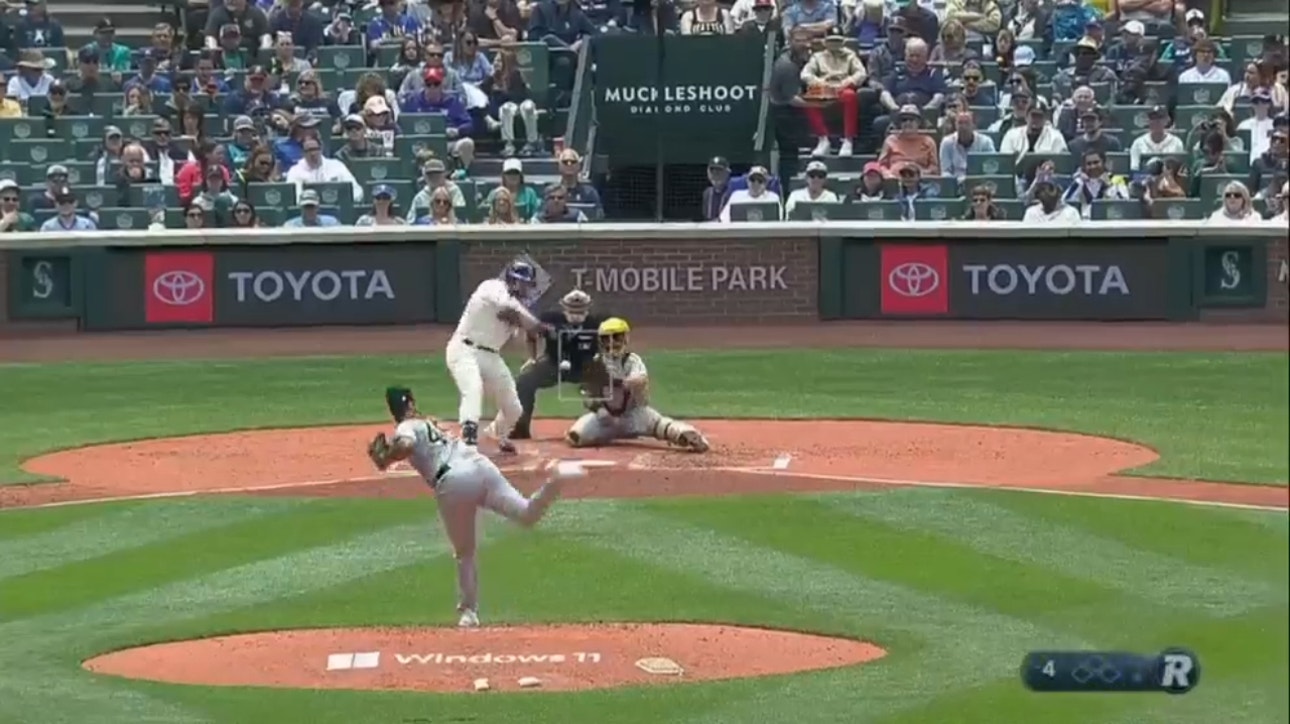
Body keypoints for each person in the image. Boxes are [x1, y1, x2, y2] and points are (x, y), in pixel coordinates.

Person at [367, 386, 574, 628]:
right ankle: (558, 479)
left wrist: (387, 457)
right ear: (411, 402)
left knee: (465, 553)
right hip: (481, 467)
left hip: (454, 482)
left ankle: (469, 612)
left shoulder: (406, 427)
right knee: (527, 514)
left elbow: (406, 444)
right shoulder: (429, 424)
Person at [447, 260, 554, 452]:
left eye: (527, 284)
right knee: (473, 388)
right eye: (523, 283)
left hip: (490, 356)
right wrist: (539, 325)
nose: (525, 288)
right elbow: (509, 310)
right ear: (512, 280)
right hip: (464, 349)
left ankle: (496, 434)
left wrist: (534, 351)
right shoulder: (492, 287)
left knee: (514, 408)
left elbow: (528, 333)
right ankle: (468, 435)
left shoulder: (519, 308)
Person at [564, 317, 711, 452]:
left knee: (663, 426)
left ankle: (690, 436)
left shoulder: (631, 360)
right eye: (607, 338)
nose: (612, 342)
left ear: (625, 339)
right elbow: (587, 394)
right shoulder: (596, 363)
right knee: (575, 436)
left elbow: (641, 380)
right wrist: (598, 409)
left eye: (616, 337)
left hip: (634, 414)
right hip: (606, 418)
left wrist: (619, 382)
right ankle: (602, 434)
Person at [512, 289, 604, 439]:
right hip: (554, 364)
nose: (576, 314)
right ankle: (520, 426)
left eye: (580, 310)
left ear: (588, 308)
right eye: (572, 310)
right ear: (564, 307)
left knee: (611, 380)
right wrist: (533, 358)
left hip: (586, 366)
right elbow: (531, 333)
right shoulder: (550, 320)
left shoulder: (596, 324)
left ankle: (610, 425)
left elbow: (608, 344)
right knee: (525, 380)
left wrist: (602, 361)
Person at [801, 26, 867, 157]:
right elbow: (805, 74)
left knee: (850, 96)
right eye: (831, 41)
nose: (834, 44)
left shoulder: (850, 55)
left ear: (843, 42)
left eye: (837, 41)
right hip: (825, 88)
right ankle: (823, 139)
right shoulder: (817, 57)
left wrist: (846, 83)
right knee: (808, 98)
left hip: (843, 88)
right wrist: (821, 83)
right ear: (825, 42)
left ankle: (848, 140)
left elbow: (861, 73)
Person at [879, 105, 939, 176]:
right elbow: (881, 165)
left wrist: (923, 173)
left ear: (918, 122)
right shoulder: (890, 140)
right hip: (894, 181)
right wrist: (888, 174)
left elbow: (934, 167)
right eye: (904, 120)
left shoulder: (928, 141)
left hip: (921, 181)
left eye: (911, 120)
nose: (907, 123)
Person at [940, 110, 996, 180]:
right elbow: (945, 171)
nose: (963, 127)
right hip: (956, 183)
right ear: (955, 125)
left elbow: (992, 167)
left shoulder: (986, 142)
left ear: (973, 125)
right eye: (960, 123)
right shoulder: (947, 143)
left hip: (980, 183)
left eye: (967, 123)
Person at [1129, 105, 1184, 171]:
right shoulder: (1138, 143)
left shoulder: (1176, 142)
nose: (1156, 121)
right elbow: (1134, 169)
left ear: (1167, 120)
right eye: (1153, 118)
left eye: (1160, 118)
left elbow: (1179, 171)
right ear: (1148, 121)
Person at [1238, 89, 1278, 164]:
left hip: (1267, 164)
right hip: (1247, 163)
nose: (1259, 105)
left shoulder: (1275, 125)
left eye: (1263, 101)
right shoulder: (1243, 125)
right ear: (1252, 105)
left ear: (1268, 104)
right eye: (1256, 102)